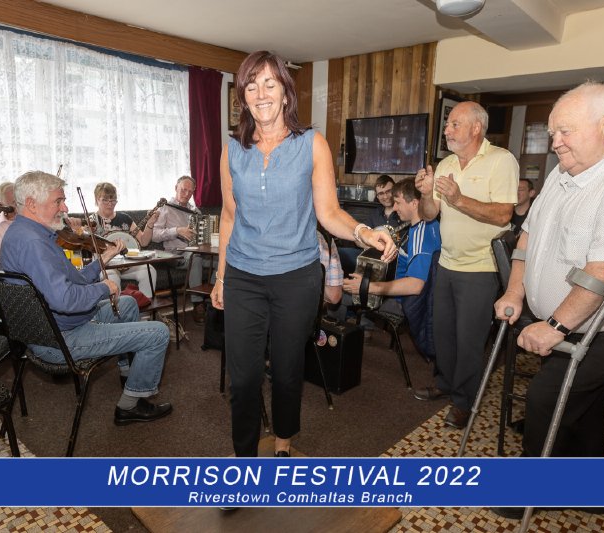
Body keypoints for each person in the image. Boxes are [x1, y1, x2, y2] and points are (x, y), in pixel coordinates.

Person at [211, 50, 396, 458]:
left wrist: (364, 232)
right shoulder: (232, 150)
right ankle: (243, 461)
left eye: (270, 84)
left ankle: (283, 442)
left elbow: (329, 213)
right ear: (243, 96)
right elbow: (228, 216)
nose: (261, 94)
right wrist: (221, 277)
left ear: (285, 92)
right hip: (243, 275)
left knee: (286, 370)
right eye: (251, 86)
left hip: (296, 277)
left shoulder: (311, 144)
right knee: (243, 379)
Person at [494, 81, 604, 469]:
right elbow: (528, 236)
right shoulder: (564, 171)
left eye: (564, 131)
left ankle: (530, 489)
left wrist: (555, 325)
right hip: (569, 322)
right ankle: (587, 487)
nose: (555, 142)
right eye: (553, 132)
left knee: (547, 398)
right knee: (583, 409)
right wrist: (515, 292)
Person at [0, 171, 172, 425]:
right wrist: (103, 288)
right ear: (32, 204)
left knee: (127, 303)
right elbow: (66, 300)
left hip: (54, 327)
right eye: (58, 201)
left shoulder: (26, 233)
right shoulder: (33, 243)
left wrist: (103, 260)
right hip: (59, 340)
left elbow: (73, 281)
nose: (64, 207)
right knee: (157, 333)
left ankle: (128, 372)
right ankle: (130, 405)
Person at [414, 101, 519, 430]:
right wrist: (426, 194)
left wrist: (459, 199)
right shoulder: (445, 163)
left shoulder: (501, 160)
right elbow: (430, 214)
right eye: (447, 124)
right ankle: (446, 383)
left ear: (476, 128)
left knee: (469, 340)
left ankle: (463, 402)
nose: (446, 130)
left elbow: (503, 214)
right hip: (447, 263)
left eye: (454, 124)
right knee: (443, 333)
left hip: (481, 267)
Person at [343, 178, 441, 359]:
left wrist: (367, 287)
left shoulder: (422, 233)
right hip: (397, 291)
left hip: (401, 301)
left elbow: (415, 285)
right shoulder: (423, 226)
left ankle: (339, 352)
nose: (394, 208)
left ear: (415, 203)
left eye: (398, 202)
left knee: (338, 294)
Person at [152, 175, 207, 323]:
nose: (186, 194)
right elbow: (154, 235)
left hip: (197, 251)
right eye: (183, 190)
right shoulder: (165, 208)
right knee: (196, 257)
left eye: (190, 191)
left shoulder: (195, 211)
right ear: (176, 188)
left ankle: (211, 300)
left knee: (221, 260)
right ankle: (198, 303)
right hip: (174, 255)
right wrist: (176, 231)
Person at [90, 182, 158, 300]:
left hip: (127, 263)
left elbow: (143, 241)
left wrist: (150, 223)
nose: (110, 204)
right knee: (112, 278)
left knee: (149, 270)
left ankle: (146, 307)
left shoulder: (125, 218)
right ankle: (121, 310)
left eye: (113, 200)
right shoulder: (91, 221)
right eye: (105, 200)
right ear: (97, 200)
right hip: (107, 265)